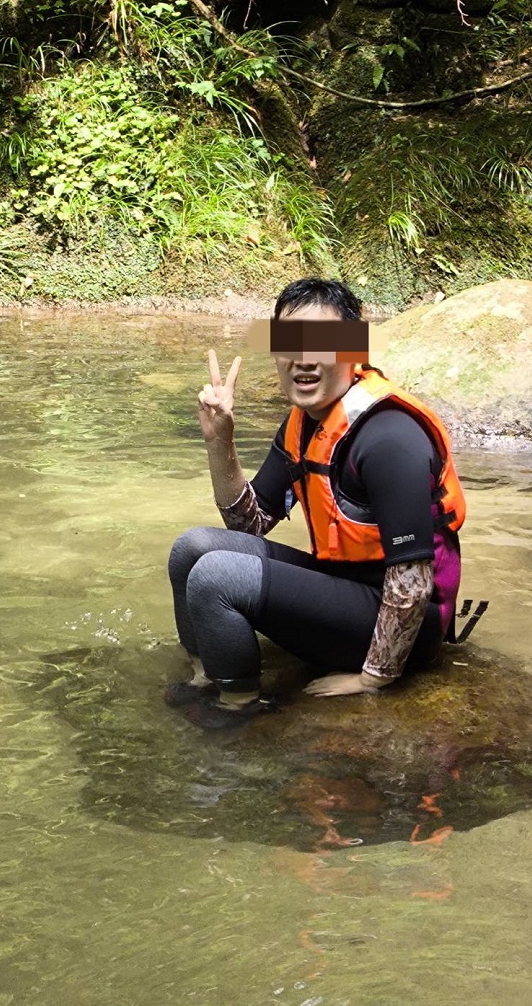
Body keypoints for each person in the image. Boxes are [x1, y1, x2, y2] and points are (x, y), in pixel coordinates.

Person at [167, 278, 465, 729]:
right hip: (347, 588)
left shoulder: (388, 438)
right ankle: (206, 675)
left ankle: (238, 707)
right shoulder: (304, 423)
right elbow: (249, 526)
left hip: (406, 626)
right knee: (191, 550)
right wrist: (219, 442)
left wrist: (372, 679)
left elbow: (412, 582)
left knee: (216, 578)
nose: (303, 359)